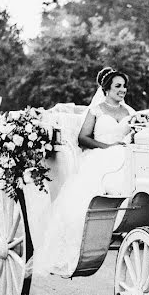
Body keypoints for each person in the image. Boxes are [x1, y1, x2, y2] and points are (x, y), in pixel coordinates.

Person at [32, 67, 134, 277]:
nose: (122, 90)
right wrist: (109, 147)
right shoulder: (96, 110)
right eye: (118, 86)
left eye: (124, 86)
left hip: (125, 153)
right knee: (101, 182)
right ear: (106, 89)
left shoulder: (130, 112)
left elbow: (135, 132)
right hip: (99, 155)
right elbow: (83, 138)